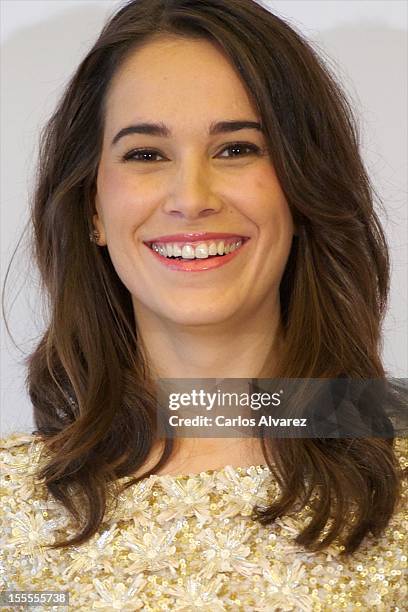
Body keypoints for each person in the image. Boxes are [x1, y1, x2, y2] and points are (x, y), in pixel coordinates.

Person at [1, 0, 407, 609]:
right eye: (145, 154)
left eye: (236, 149)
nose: (191, 198)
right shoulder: (9, 509)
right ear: (92, 210)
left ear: (302, 189)